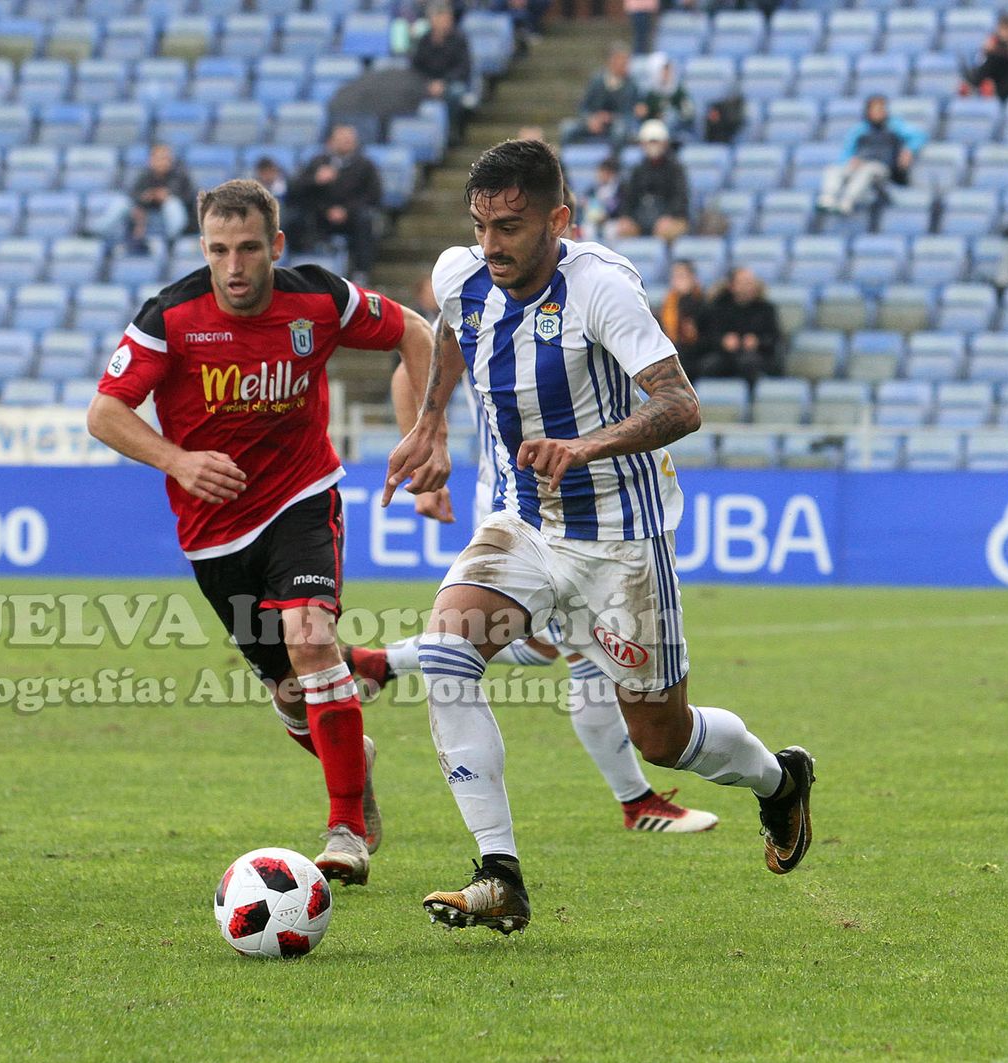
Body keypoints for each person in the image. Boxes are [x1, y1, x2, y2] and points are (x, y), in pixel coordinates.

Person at [381, 139, 814, 933]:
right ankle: (499, 870)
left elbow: (681, 404)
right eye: (481, 225)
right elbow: (450, 332)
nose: (492, 245)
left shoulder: (602, 291)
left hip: (621, 543)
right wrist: (433, 421)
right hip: (524, 524)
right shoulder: (464, 277)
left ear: (558, 219)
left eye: (509, 226)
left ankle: (778, 782)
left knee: (662, 736)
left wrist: (586, 445)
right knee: (447, 651)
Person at [87, 180, 434, 885]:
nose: (234, 266)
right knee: (289, 692)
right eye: (219, 250)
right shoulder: (171, 316)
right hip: (215, 532)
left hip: (302, 495)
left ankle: (344, 830)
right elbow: (104, 412)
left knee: (309, 639)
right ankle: (356, 726)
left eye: (248, 248)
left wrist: (426, 432)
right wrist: (176, 459)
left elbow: (414, 332)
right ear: (203, 249)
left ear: (275, 245)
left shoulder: (318, 299)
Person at [344, 356, 719, 835]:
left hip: (552, 503)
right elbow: (407, 370)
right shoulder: (483, 294)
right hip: (527, 509)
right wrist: (428, 442)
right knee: (587, 654)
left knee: (549, 648)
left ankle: (384, 663)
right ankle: (636, 802)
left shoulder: (567, 300)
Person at [287, 125, 385, 282]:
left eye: (349, 140)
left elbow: (373, 195)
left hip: (351, 216)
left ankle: (360, 272)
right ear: (331, 142)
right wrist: (315, 180)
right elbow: (295, 190)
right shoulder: (318, 162)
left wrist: (346, 210)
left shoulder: (365, 165)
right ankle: (295, 269)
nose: (346, 143)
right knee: (295, 219)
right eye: (342, 140)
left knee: (365, 221)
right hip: (320, 215)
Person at [816, 94, 926, 216]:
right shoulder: (859, 130)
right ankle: (828, 199)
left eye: (881, 109)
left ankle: (847, 201)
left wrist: (909, 150)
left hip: (883, 168)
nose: (878, 112)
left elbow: (919, 135)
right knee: (833, 169)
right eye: (874, 109)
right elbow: (847, 152)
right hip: (859, 166)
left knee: (869, 169)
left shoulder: (894, 126)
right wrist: (850, 162)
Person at [691, 266, 780, 386]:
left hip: (756, 356)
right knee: (707, 365)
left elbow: (775, 338)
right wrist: (722, 341)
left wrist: (757, 342)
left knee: (749, 364)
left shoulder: (766, 309)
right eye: (743, 283)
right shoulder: (718, 307)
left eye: (750, 283)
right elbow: (707, 335)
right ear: (732, 286)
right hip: (724, 355)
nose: (748, 287)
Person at [100, 143, 196, 253]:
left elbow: (189, 198)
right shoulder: (144, 175)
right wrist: (147, 196)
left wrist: (168, 196)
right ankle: (98, 231)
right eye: (159, 158)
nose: (163, 162)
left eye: (166, 158)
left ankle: (172, 240)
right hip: (147, 216)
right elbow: (133, 195)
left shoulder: (180, 175)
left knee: (172, 204)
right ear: (151, 160)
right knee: (121, 202)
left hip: (176, 219)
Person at [613, 119, 689, 240]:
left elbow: (680, 198)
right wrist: (626, 217)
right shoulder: (638, 170)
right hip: (641, 217)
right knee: (623, 230)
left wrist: (669, 216)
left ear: (665, 143)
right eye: (650, 142)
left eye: (656, 142)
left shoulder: (676, 169)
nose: (653, 146)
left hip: (670, 218)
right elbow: (629, 198)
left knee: (667, 231)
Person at [411, 4, 474, 140]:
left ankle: (452, 130)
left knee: (456, 92)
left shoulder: (459, 39)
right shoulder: (424, 40)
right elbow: (416, 67)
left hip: (450, 82)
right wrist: (429, 83)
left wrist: (443, 82)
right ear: (433, 20)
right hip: (427, 83)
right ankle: (423, 136)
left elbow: (464, 67)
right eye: (443, 19)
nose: (446, 23)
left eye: (448, 19)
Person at [562, 44, 641, 144]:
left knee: (620, 130)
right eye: (623, 61)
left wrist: (612, 117)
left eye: (627, 61)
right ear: (612, 61)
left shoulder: (632, 85)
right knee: (567, 127)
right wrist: (590, 119)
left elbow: (630, 113)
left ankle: (613, 159)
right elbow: (583, 107)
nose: (626, 64)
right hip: (594, 122)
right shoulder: (597, 81)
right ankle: (563, 159)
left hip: (616, 124)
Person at [968, 13, 1008, 101]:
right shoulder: (994, 44)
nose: (1005, 32)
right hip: (995, 78)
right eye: (1003, 29)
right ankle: (973, 86)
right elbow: (982, 62)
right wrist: (985, 51)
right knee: (990, 61)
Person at [659, 258, 704, 364]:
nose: (678, 281)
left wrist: (686, 297)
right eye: (675, 276)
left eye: (682, 276)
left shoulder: (702, 301)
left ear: (692, 277)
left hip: (697, 356)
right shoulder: (668, 303)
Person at [641, 55, 695, 140]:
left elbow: (688, 112)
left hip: (676, 127)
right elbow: (646, 114)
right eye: (663, 70)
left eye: (668, 70)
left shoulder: (678, 91)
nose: (666, 73)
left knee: (670, 116)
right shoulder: (651, 94)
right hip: (655, 127)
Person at [576, 154, 620, 242]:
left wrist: (606, 215)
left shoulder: (619, 190)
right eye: (601, 172)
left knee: (611, 231)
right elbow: (584, 203)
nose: (603, 175)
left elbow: (618, 207)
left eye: (607, 173)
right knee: (587, 231)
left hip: (612, 221)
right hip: (592, 221)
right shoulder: (592, 189)